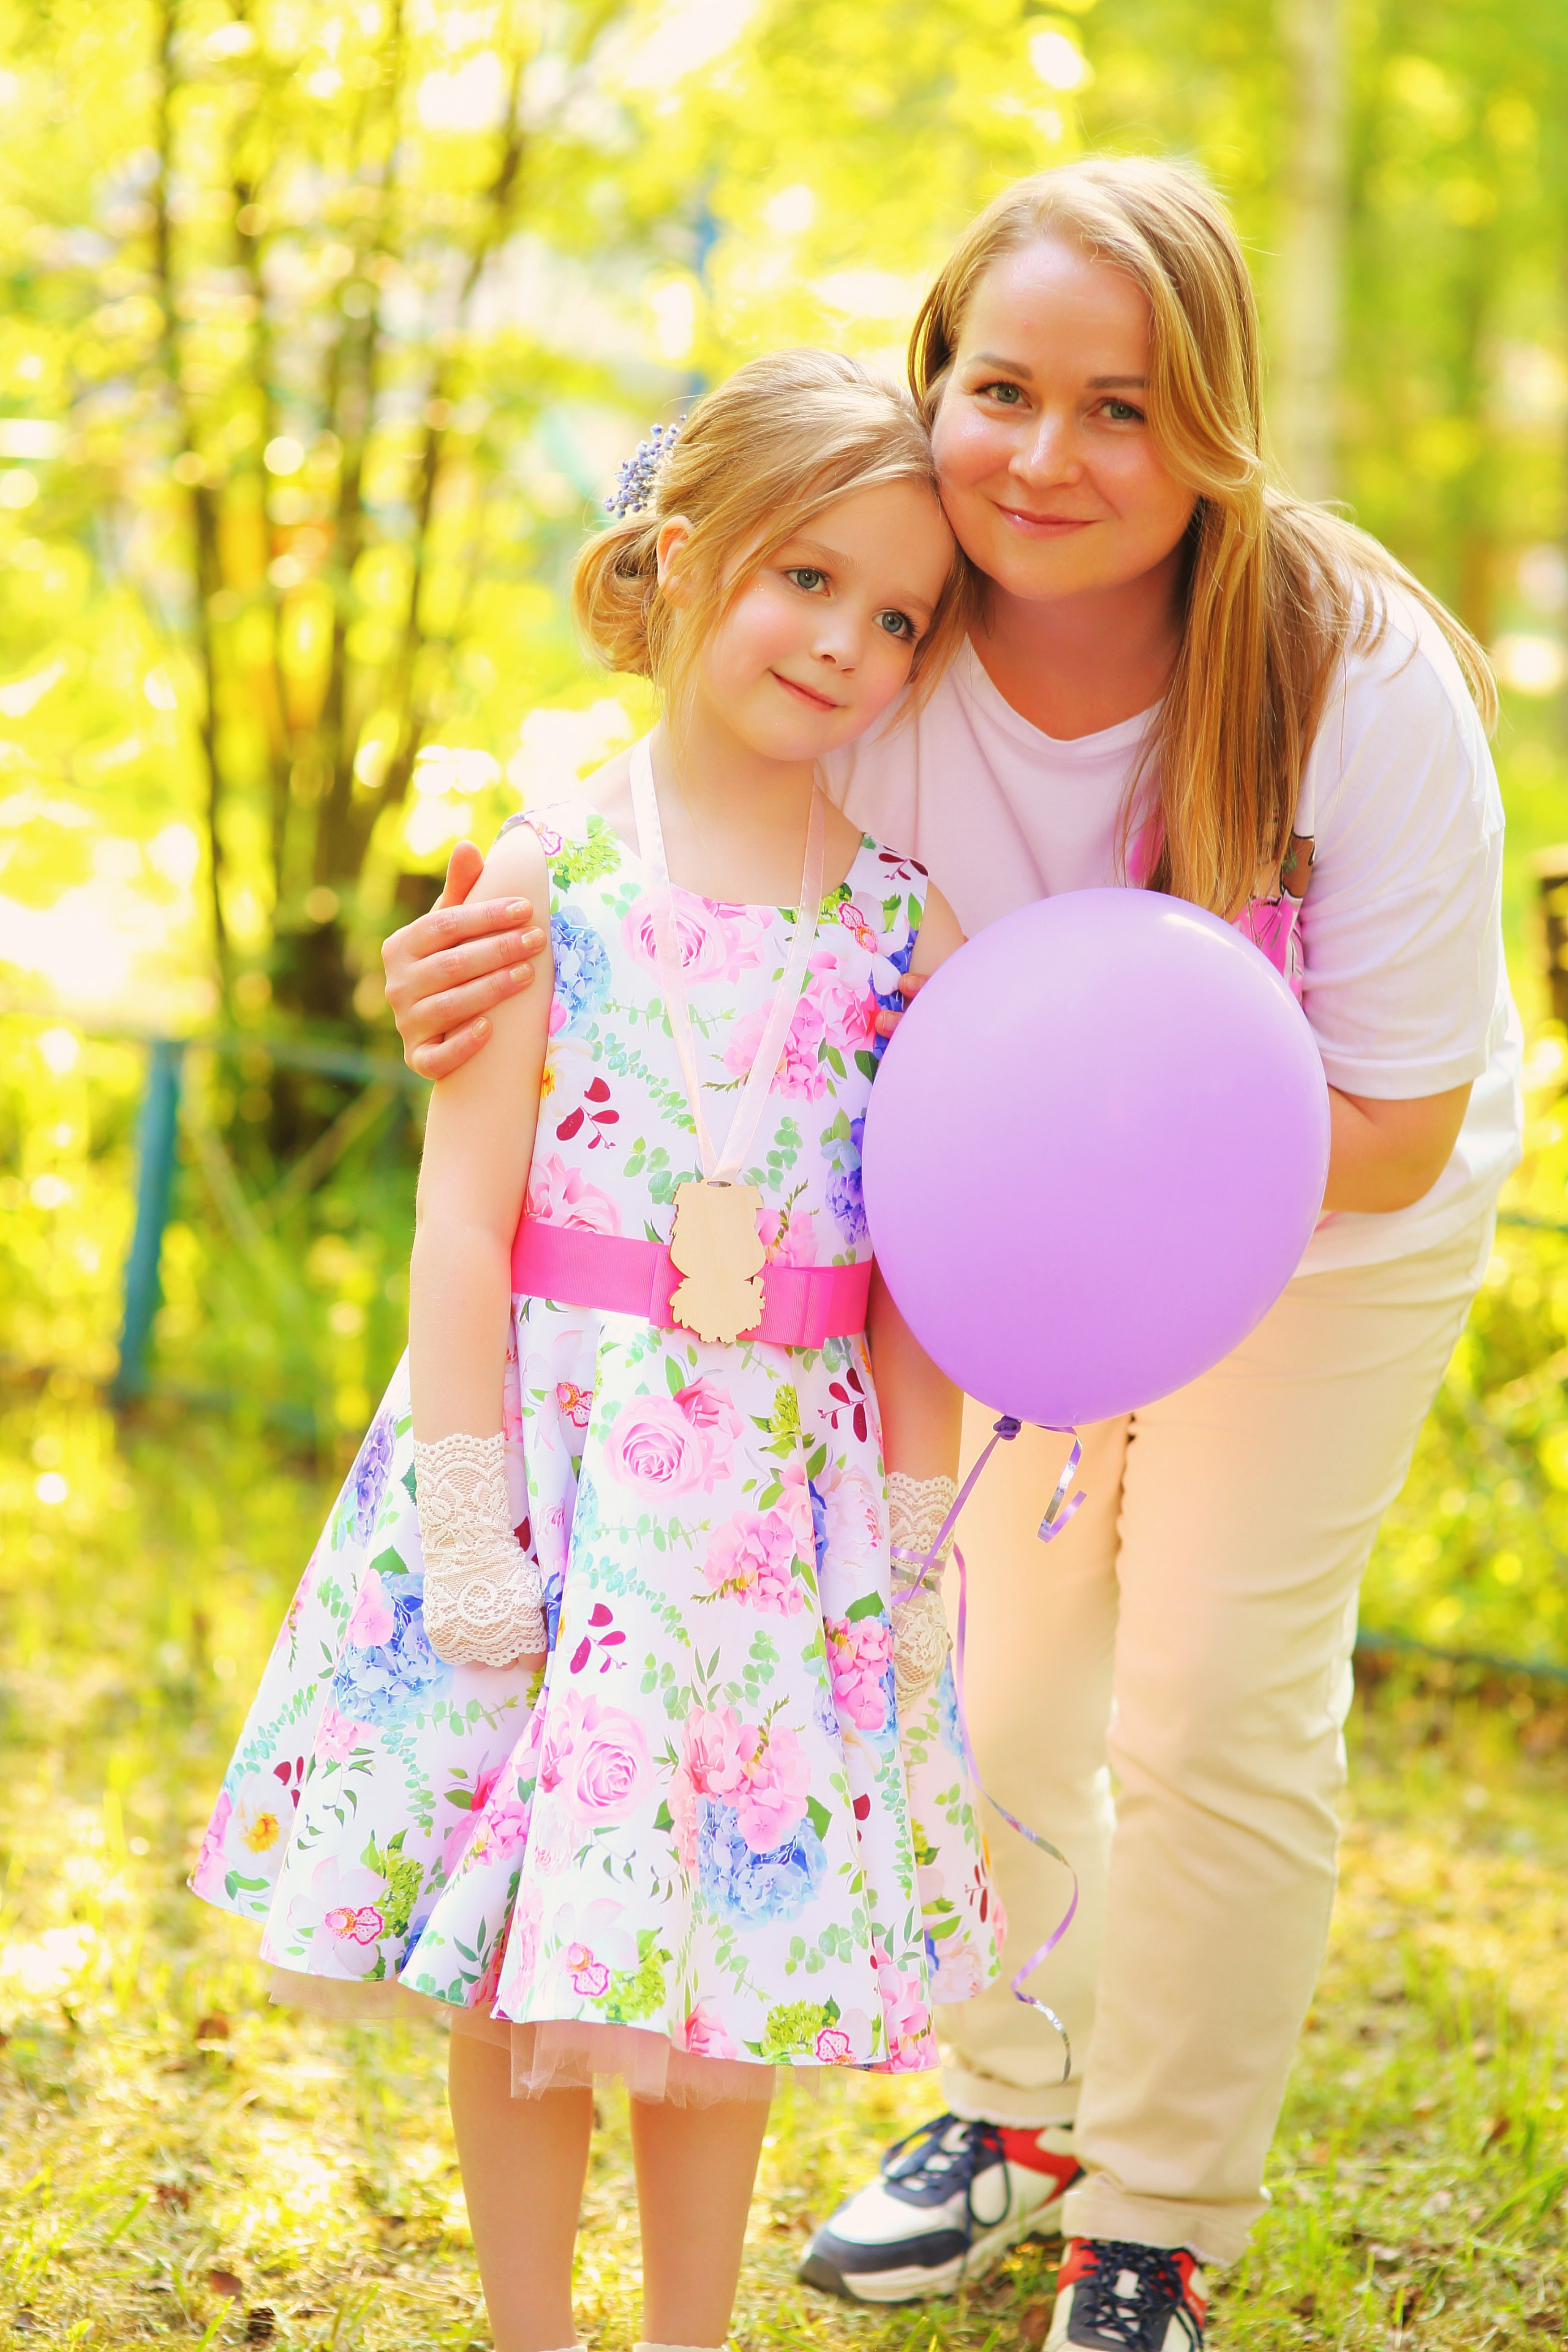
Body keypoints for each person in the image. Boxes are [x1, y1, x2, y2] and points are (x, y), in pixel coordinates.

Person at [379, 161, 1521, 2352]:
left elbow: (1389, 1123)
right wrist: (482, 958)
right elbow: (671, 834)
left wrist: (1159, 1188)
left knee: (1208, 1694)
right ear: (936, 384)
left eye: (1123, 406)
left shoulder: (1354, 675)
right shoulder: (886, 620)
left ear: (1212, 425)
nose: (1047, 457)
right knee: (991, 1667)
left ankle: (1157, 2210)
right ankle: (1014, 2105)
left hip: (1323, 1218)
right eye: (1002, 389)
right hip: (981, 1229)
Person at [190, 348, 1017, 2352]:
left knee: (717, 1954)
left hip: (767, 1514)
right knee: (521, 1945)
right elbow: (464, 1218)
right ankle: (532, 2330)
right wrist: (471, 1527)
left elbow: (912, 1269)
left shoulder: (911, 930)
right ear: (680, 557)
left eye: (897, 615)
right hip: (560, 1470)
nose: (844, 640)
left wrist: (906, 1539)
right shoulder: (547, 872)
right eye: (804, 579)